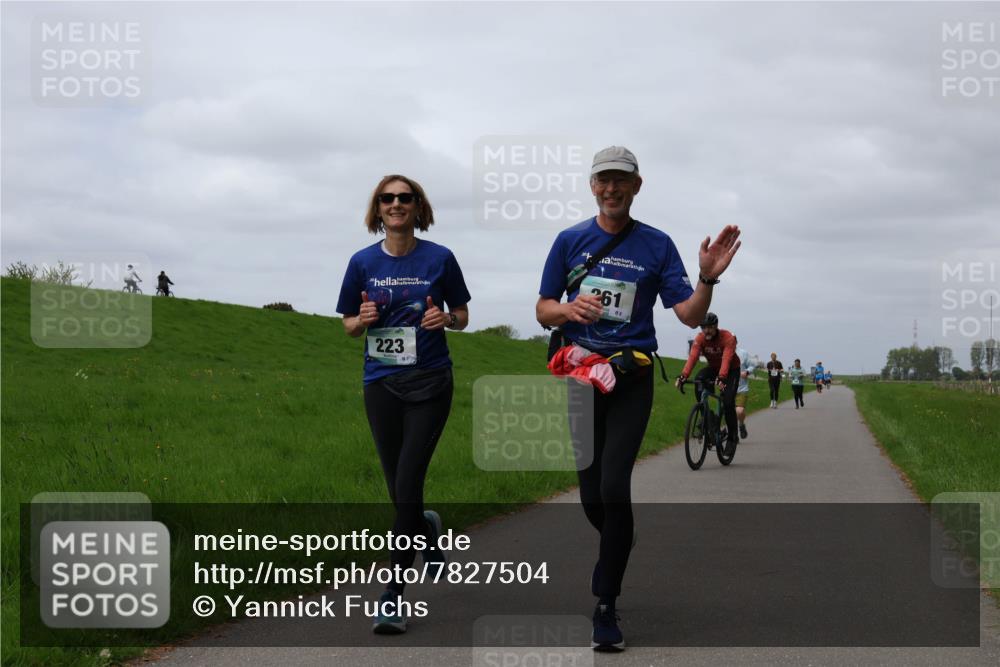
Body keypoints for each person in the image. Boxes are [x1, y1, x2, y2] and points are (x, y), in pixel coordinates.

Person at [536, 146, 741, 651]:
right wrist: (568, 310)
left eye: (621, 181)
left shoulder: (656, 244)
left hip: (631, 376)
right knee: (590, 494)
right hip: (583, 374)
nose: (612, 188)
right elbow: (542, 310)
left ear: (637, 186)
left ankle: (605, 603)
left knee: (612, 483)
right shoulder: (569, 241)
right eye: (603, 180)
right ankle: (619, 538)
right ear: (592, 186)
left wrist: (707, 278)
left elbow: (690, 316)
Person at [336, 174, 471, 635]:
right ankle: (427, 526)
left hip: (431, 383)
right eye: (387, 198)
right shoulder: (361, 262)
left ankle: (391, 595)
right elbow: (348, 326)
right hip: (381, 384)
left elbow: (464, 317)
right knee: (398, 489)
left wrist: (446, 317)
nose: (396, 204)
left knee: (408, 483)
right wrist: (362, 320)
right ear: (377, 209)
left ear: (418, 207)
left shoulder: (441, 258)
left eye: (404, 198)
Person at [678, 313, 740, 450]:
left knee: (728, 402)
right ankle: (708, 418)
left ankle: (732, 437)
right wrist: (683, 375)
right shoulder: (700, 339)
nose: (706, 331)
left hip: (731, 370)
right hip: (713, 368)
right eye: (703, 328)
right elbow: (693, 357)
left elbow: (726, 359)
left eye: (710, 327)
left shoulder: (728, 337)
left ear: (716, 326)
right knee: (699, 379)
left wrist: (722, 377)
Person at [735, 340, 753, 439]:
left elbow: (752, 365)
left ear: (736, 341)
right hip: (727, 387)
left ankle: (741, 424)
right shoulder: (723, 351)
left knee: (740, 411)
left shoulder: (743, 353)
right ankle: (733, 434)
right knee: (729, 412)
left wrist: (747, 372)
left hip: (741, 387)